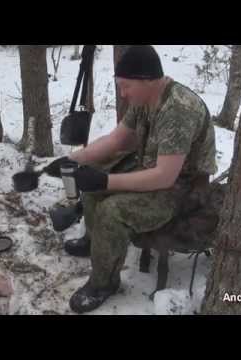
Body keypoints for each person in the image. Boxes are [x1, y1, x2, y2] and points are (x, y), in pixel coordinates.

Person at [45, 45, 217, 313]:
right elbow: (117, 140)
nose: (123, 93)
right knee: (92, 177)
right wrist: (75, 160)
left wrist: (105, 182)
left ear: (148, 80)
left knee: (112, 211)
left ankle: (104, 283)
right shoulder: (145, 99)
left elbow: (165, 176)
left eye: (126, 87)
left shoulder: (178, 110)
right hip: (151, 166)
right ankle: (96, 242)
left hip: (183, 187)